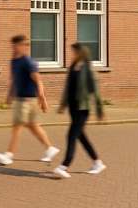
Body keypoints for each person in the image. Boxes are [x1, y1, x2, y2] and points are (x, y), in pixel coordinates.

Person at [0, 35, 60, 166]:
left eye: (16, 46)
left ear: (23, 46)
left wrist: (43, 99)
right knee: (33, 126)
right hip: (22, 99)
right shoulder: (14, 61)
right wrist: (9, 95)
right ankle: (50, 148)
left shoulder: (28, 62)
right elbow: (14, 80)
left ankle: (9, 155)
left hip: (26, 101)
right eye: (12, 46)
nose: (13, 48)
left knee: (16, 127)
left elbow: (38, 80)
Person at [53, 42, 107, 179]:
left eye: (74, 51)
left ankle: (64, 166)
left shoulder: (87, 69)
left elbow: (95, 91)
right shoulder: (73, 67)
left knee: (71, 135)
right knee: (81, 136)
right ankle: (98, 163)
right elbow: (68, 88)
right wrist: (63, 104)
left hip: (83, 108)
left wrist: (99, 110)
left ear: (81, 53)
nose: (72, 54)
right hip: (73, 107)